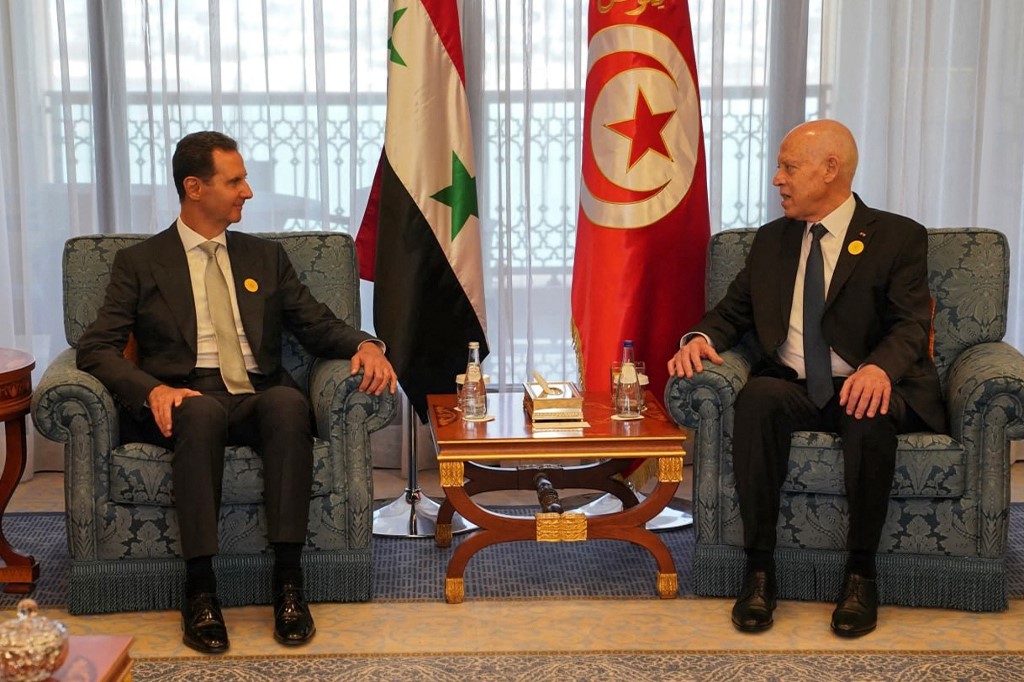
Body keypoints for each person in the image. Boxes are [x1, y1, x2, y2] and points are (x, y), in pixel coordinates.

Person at [77, 130, 398, 654]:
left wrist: (367, 344)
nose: (247, 191)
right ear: (195, 187)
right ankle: (201, 591)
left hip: (255, 393)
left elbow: (316, 325)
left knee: (288, 404)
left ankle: (289, 585)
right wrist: (153, 388)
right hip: (185, 398)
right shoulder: (140, 263)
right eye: (236, 180)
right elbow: (96, 348)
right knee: (199, 413)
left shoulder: (264, 258)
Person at [667, 119, 946, 637]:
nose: (778, 179)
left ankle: (861, 575)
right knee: (757, 398)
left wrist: (879, 368)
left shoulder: (897, 236)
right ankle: (758, 571)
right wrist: (698, 339)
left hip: (867, 382)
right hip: (795, 384)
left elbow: (911, 323)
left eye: (789, 167)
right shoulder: (772, 241)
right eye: (780, 167)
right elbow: (732, 312)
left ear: (831, 169)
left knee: (867, 410)